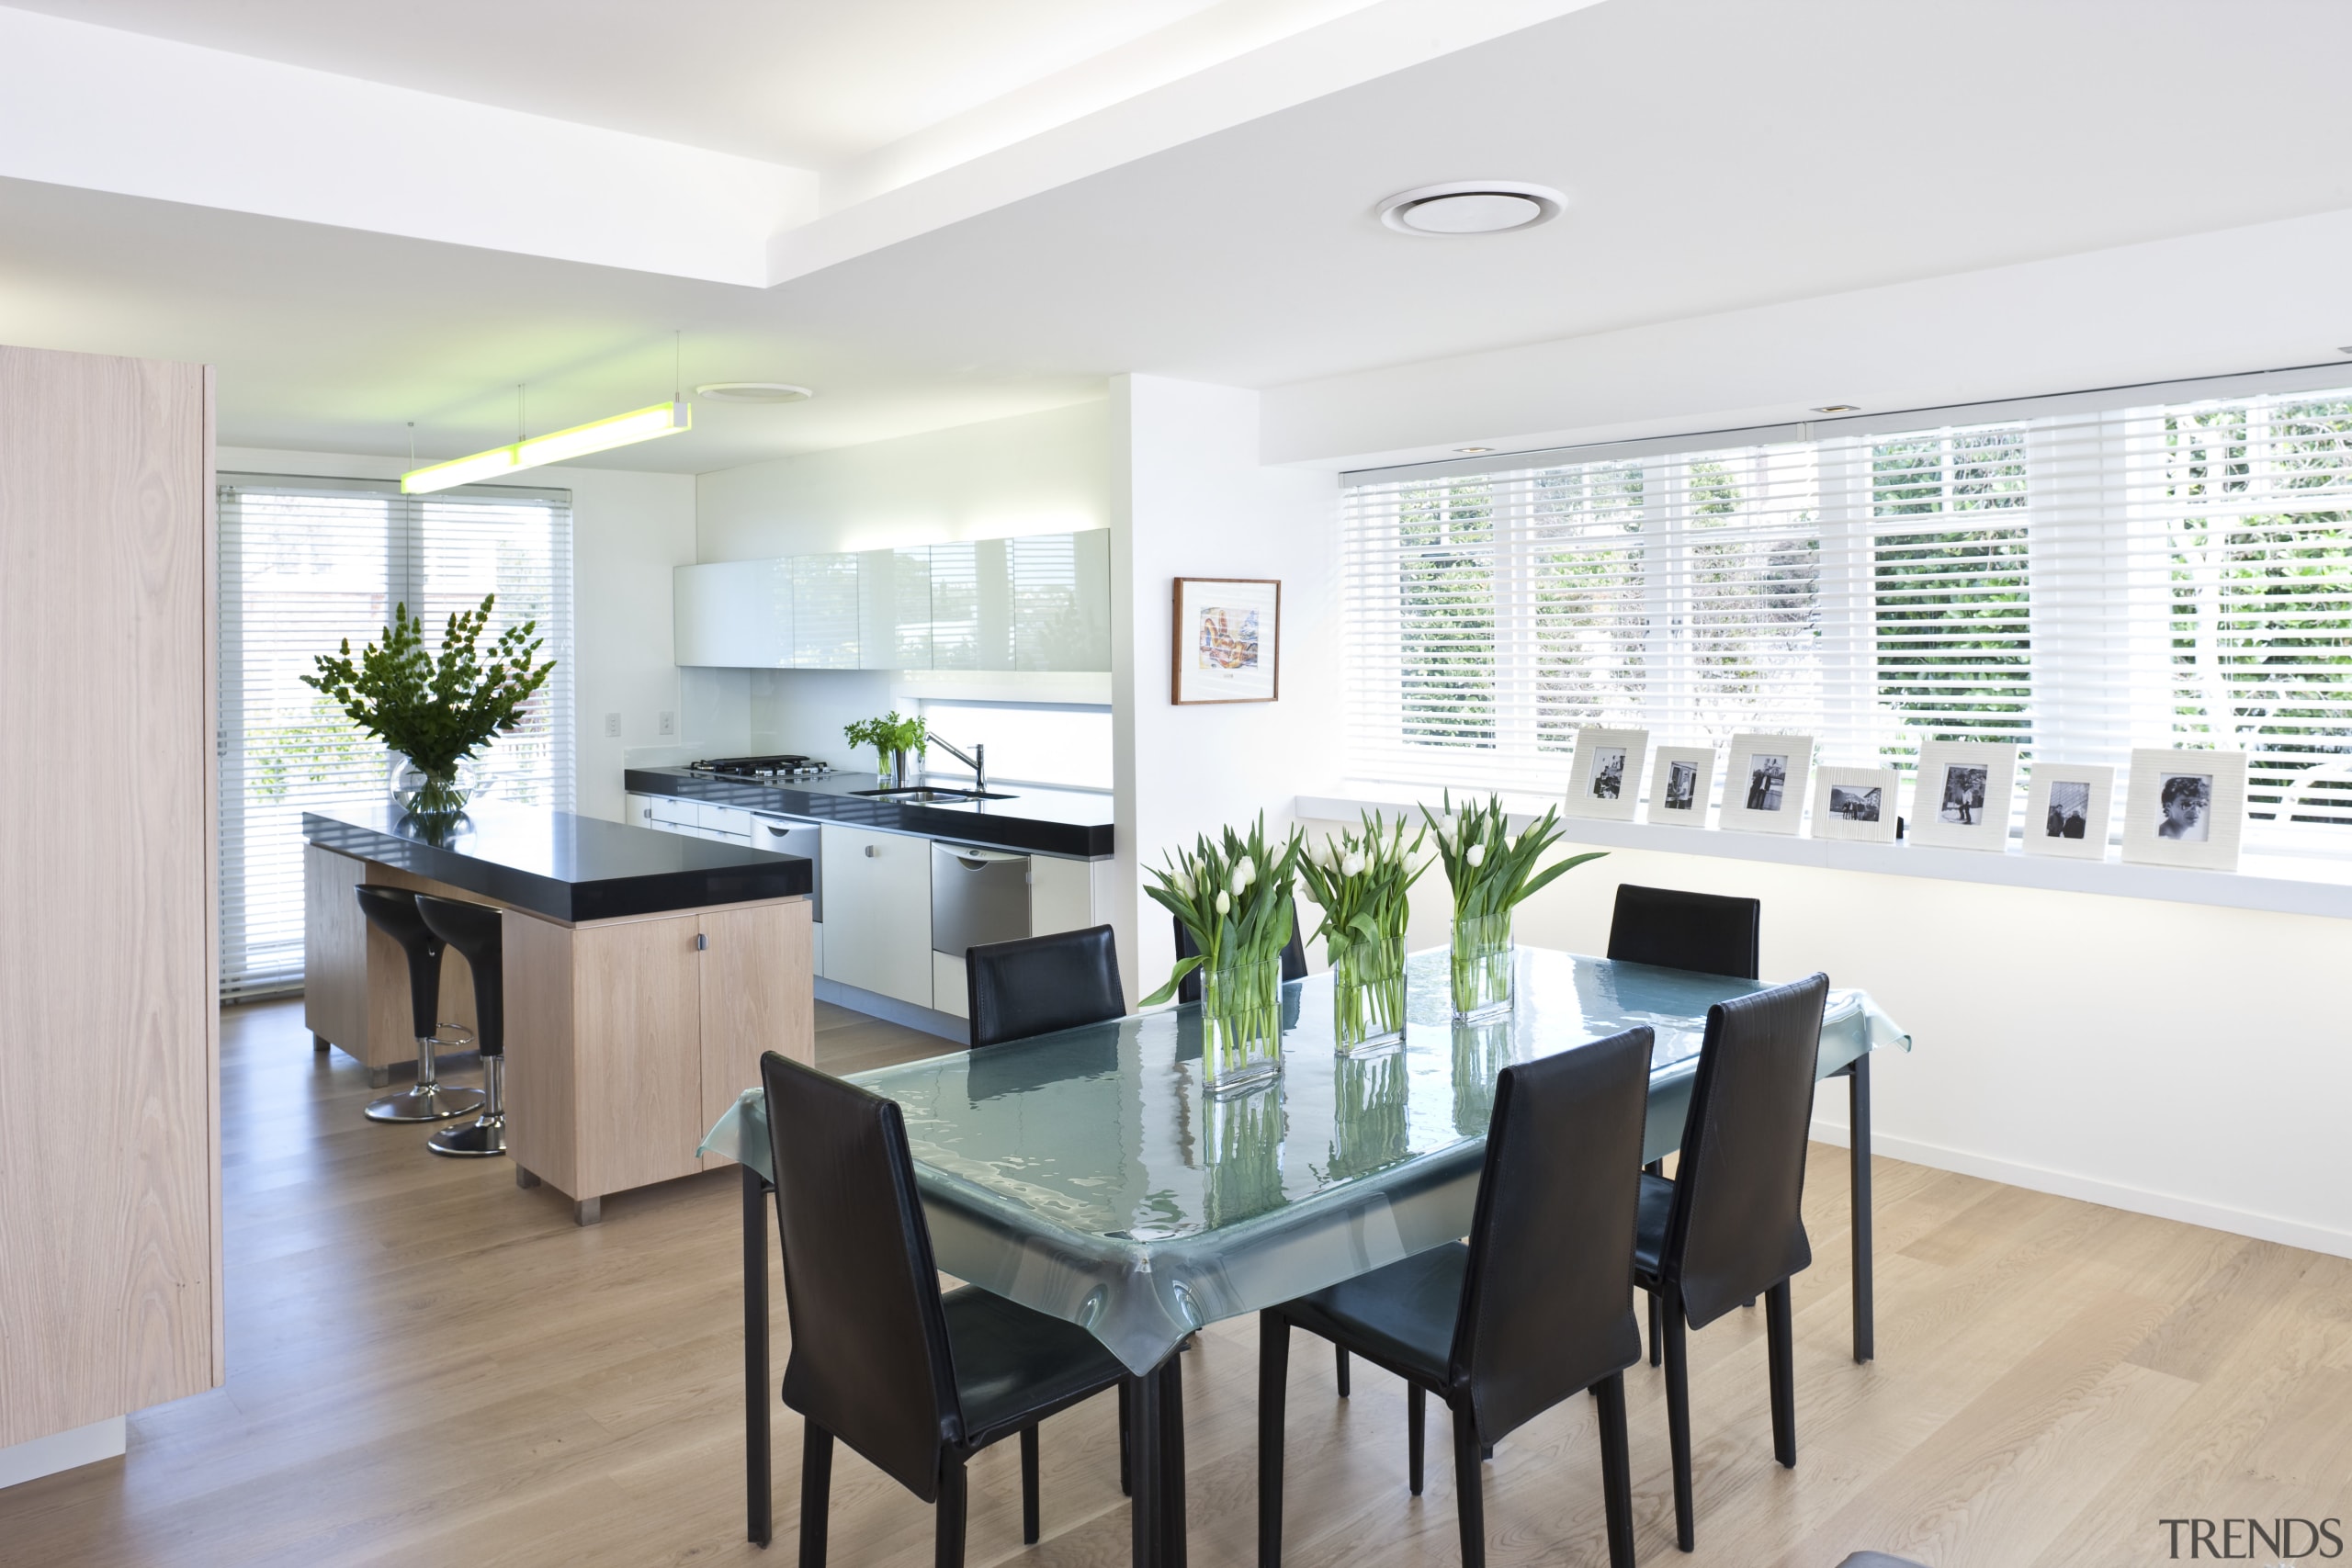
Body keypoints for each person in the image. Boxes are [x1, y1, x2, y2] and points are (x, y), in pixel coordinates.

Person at [2158, 773, 2210, 840]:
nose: (2195, 810)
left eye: (2200, 804)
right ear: (2168, 806)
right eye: (2187, 804)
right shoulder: (2163, 838)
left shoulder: (2187, 836)